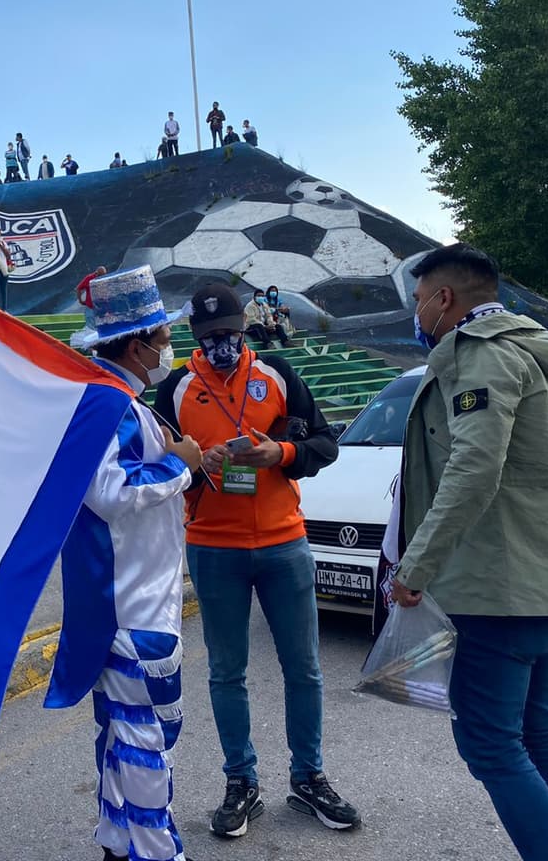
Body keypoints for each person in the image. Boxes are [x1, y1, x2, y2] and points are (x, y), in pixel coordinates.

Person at [390, 243, 548, 861]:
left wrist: (416, 565)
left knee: (490, 743)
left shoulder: (481, 355)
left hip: (499, 583)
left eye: (420, 300)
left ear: (444, 298)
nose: (417, 313)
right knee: (537, 728)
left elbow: (473, 468)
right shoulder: (536, 346)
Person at [154, 282, 357, 838]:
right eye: (211, 337)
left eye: (231, 334)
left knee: (305, 668)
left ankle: (308, 776)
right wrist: (198, 465)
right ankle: (241, 781)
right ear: (195, 337)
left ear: (246, 329)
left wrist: (282, 452)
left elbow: (325, 443)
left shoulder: (277, 376)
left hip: (283, 544)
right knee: (226, 672)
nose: (223, 344)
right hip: (214, 549)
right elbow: (156, 473)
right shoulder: (175, 389)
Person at [48, 265, 204, 861]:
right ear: (139, 345)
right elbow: (110, 491)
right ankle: (154, 849)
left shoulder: (119, 401)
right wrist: (181, 464)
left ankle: (120, 837)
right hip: (132, 604)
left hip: (134, 596)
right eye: (165, 339)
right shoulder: (108, 404)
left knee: (123, 730)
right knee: (147, 733)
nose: (170, 349)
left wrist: (180, 463)